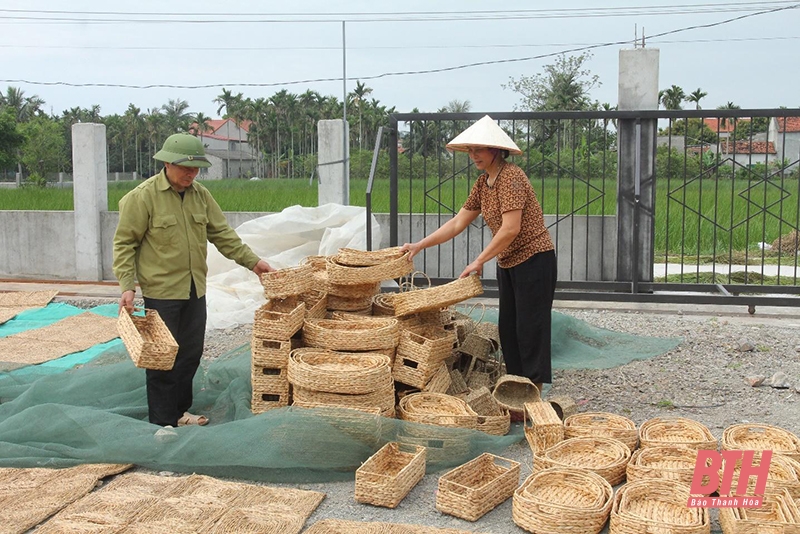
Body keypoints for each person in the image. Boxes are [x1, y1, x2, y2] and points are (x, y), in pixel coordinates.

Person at [113, 133, 274, 428]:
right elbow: (125, 244)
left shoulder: (200, 195)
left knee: (190, 353)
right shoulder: (142, 197)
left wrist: (254, 262)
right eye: (186, 168)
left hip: (194, 288)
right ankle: (162, 423)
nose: (192, 174)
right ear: (167, 164)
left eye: (196, 168)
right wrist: (127, 285)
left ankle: (179, 411)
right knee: (161, 359)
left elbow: (222, 234)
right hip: (161, 291)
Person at [401, 115, 557, 395]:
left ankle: (533, 393)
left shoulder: (511, 178)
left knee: (531, 329)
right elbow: (457, 223)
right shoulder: (483, 183)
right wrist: (419, 245)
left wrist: (480, 259)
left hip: (535, 259)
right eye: (470, 151)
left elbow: (510, 229)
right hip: (508, 261)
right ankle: (517, 388)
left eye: (479, 150)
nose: (473, 156)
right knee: (509, 328)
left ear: (496, 150)